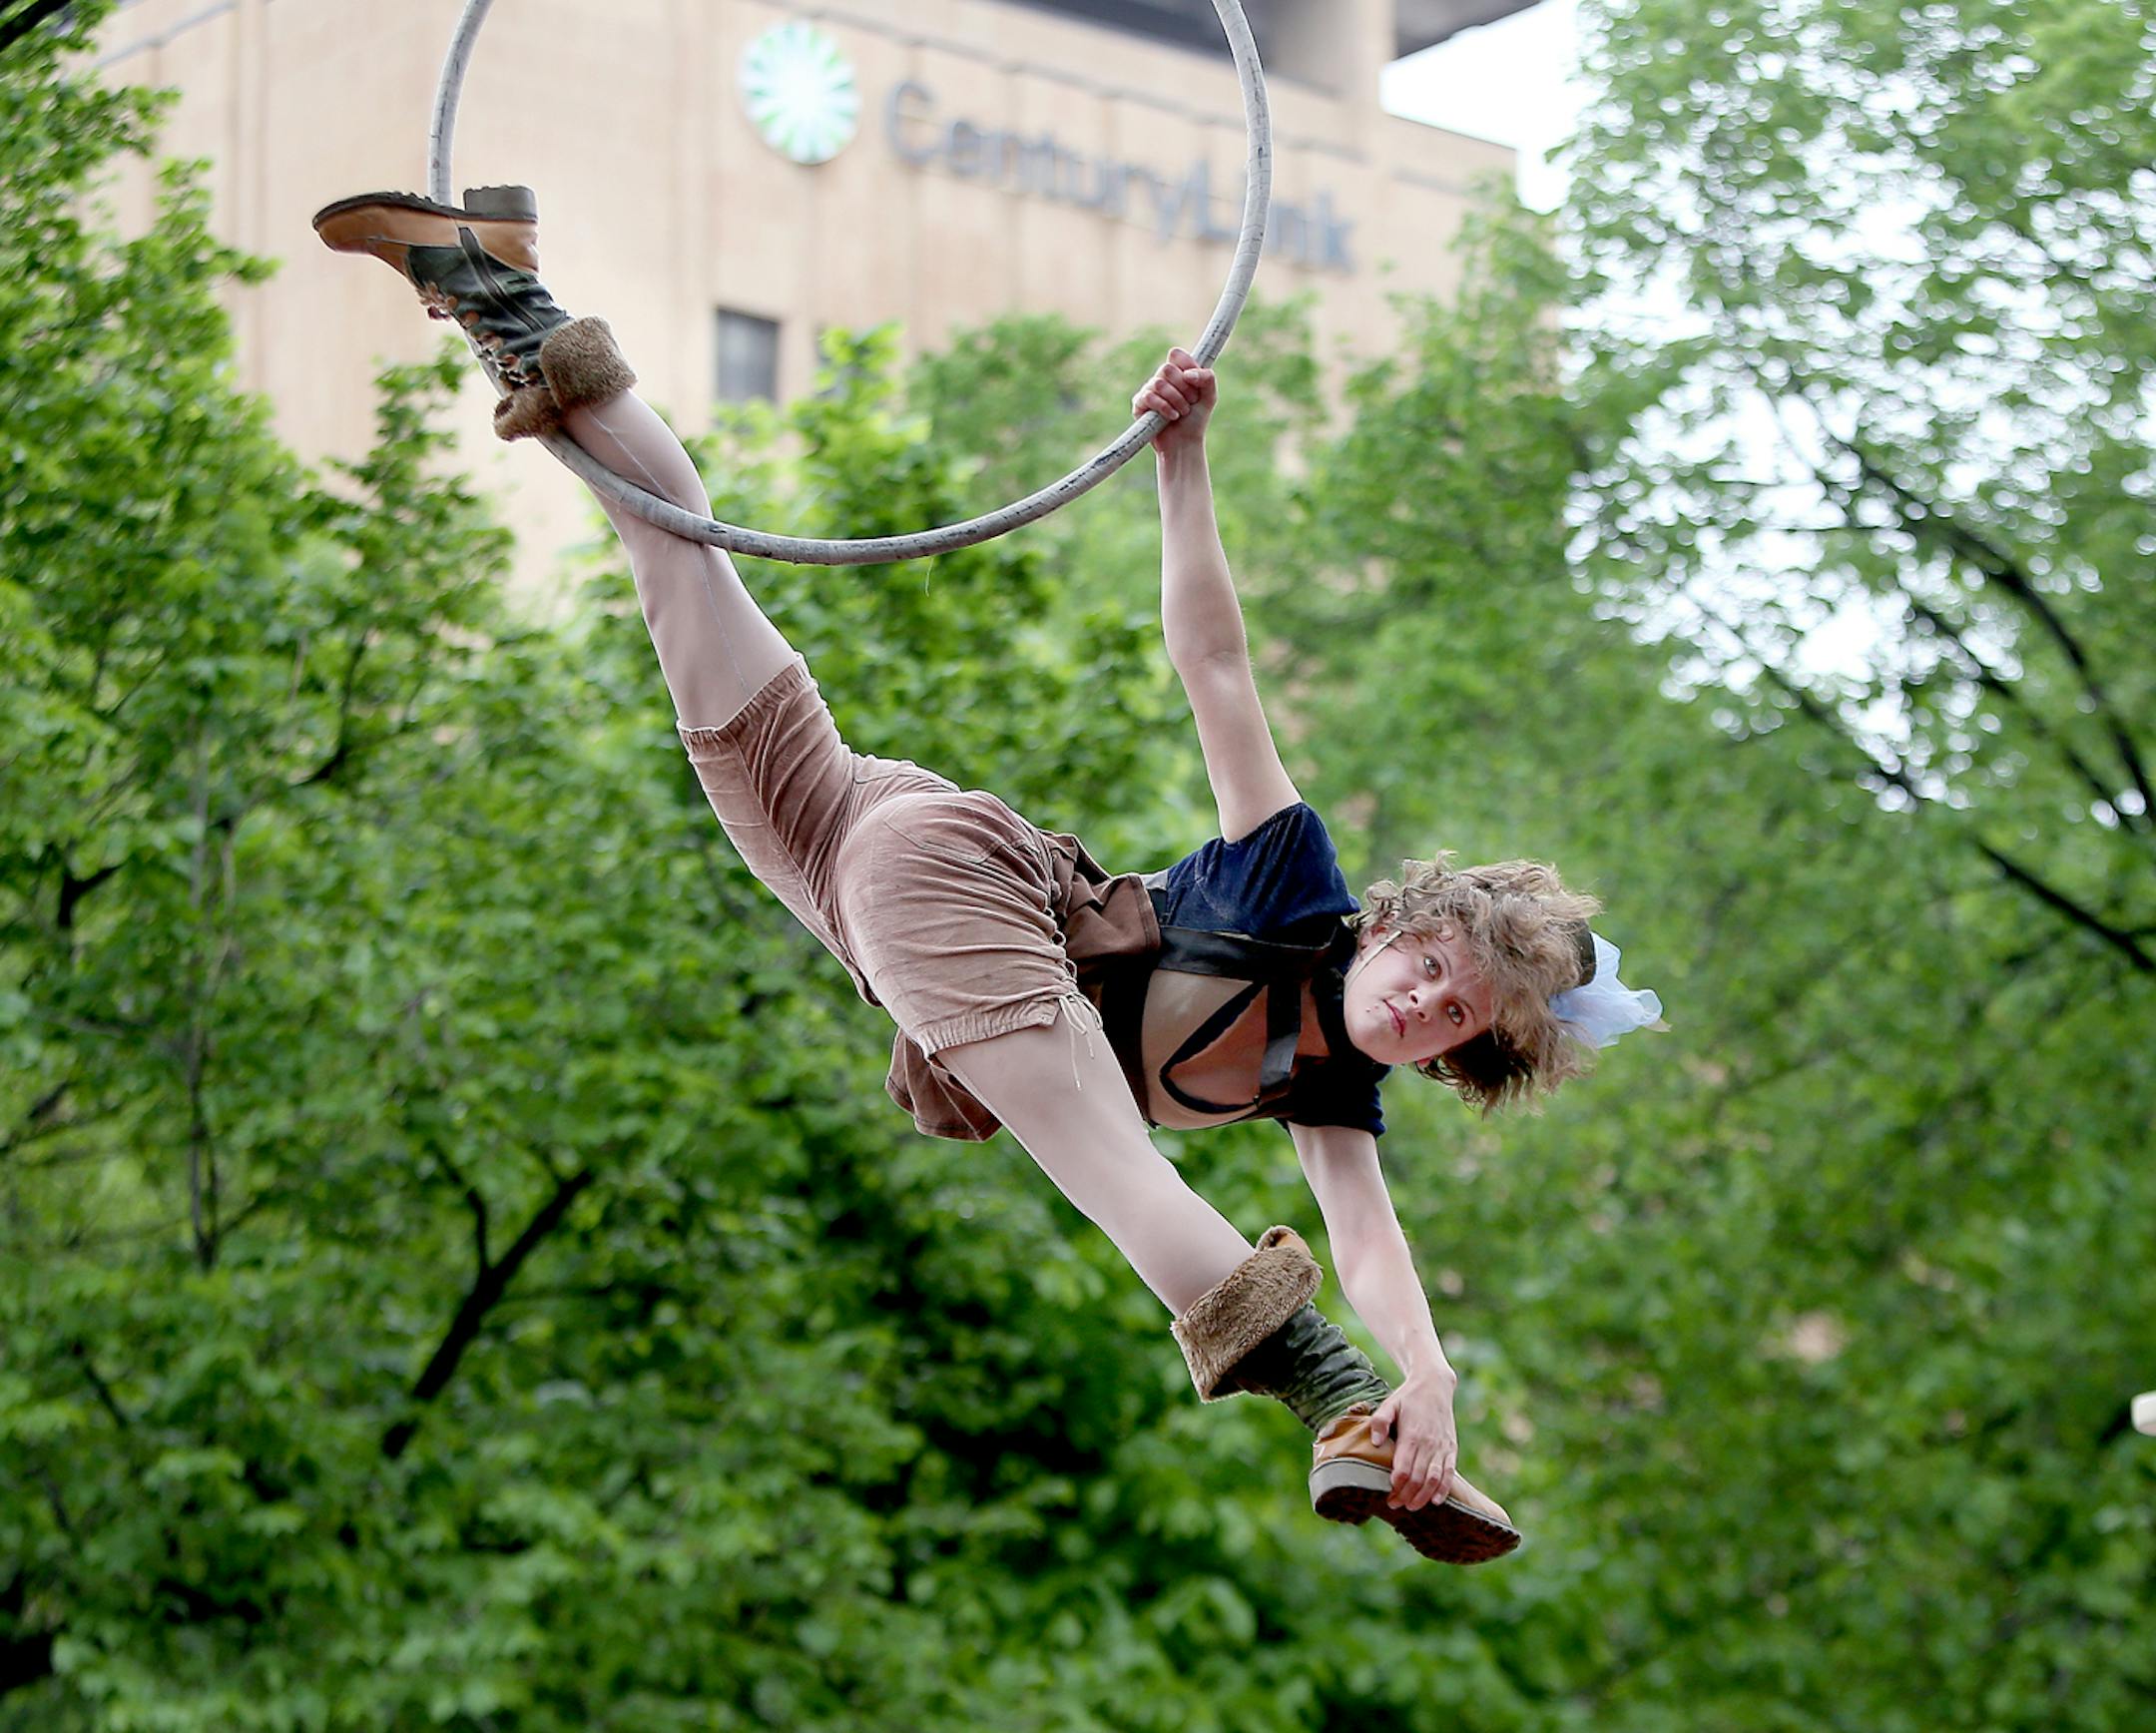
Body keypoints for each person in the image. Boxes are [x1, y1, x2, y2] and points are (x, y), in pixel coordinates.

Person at [311, 186, 1661, 1566]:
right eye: (1433, 967)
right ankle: (1328, 1395)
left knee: (673, 554)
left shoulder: (1330, 1089)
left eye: (1454, 1018)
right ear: (1397, 925)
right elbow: (1216, 668)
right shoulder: (1290, 890)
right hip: (962, 875)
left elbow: (1372, 1244)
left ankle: (498, 290)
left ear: (1457, 1055)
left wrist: (1433, 1374)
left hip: (834, 843)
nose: (1425, 1003)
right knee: (1109, 1161)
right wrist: (1179, 461)